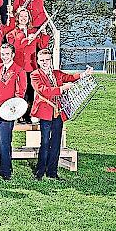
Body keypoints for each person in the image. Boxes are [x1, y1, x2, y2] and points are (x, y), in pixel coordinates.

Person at [31, 49, 93, 180]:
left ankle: (52, 172)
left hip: (58, 112)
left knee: (56, 142)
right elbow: (44, 90)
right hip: (45, 113)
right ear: (38, 61)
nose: (44, 62)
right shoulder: (35, 75)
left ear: (50, 60)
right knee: (45, 143)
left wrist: (84, 74)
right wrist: (61, 89)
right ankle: (40, 172)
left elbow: (70, 78)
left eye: (47, 60)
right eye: (42, 60)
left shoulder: (56, 73)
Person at [0, 43, 27, 180]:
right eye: (3, 54)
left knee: (4, 142)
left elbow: (20, 93)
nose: (4, 57)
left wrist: (14, 109)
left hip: (7, 111)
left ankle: (6, 171)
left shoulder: (19, 70)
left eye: (7, 54)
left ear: (13, 54)